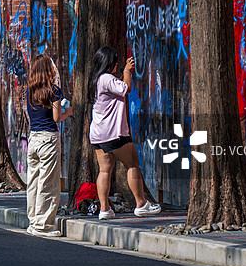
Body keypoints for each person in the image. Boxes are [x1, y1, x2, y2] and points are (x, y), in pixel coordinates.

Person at [88, 46, 161, 219]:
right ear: (108, 63)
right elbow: (126, 88)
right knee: (133, 164)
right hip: (114, 133)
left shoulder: (96, 79)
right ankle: (141, 204)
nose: (117, 65)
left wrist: (123, 75)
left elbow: (117, 88)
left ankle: (105, 209)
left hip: (98, 134)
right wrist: (128, 71)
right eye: (115, 62)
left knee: (105, 170)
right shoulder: (106, 78)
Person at [25, 54, 72, 237]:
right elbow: (56, 118)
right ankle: (43, 225)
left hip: (33, 139)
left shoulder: (30, 90)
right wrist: (68, 112)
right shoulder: (53, 91)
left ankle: (33, 220)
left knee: (34, 183)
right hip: (48, 139)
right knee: (49, 183)